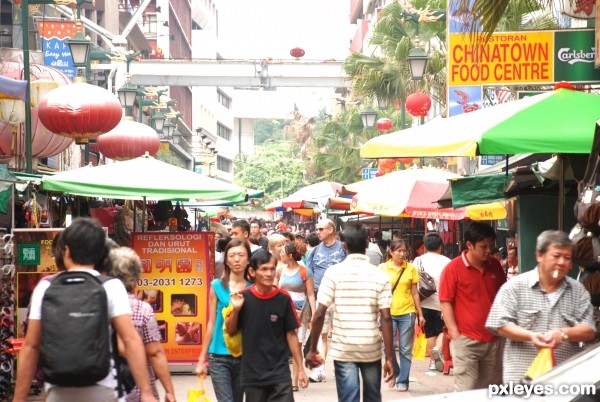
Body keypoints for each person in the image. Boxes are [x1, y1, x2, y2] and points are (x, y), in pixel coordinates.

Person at [12, 217, 157, 402]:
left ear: (66, 251)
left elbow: (31, 346)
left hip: (58, 389)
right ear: (101, 255)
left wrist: (18, 399)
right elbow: (130, 340)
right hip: (103, 387)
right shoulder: (111, 286)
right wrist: (146, 391)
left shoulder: (45, 287)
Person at [486, 230, 596, 383]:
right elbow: (498, 323)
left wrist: (563, 333)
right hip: (521, 378)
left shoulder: (578, 291)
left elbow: (589, 329)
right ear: (539, 256)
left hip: (564, 381)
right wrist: (530, 336)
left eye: (567, 258)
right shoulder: (515, 287)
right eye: (556, 256)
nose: (562, 262)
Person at [306, 223, 393, 402]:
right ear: (367, 244)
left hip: (343, 349)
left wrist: (313, 349)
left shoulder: (333, 273)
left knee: (348, 399)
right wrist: (390, 358)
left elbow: (320, 313)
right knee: (372, 398)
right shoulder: (380, 275)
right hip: (371, 348)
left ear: (344, 245)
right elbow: (386, 318)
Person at [225, 250, 309, 400]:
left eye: (272, 269)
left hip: (280, 374)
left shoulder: (283, 298)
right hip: (253, 374)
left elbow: (291, 334)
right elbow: (231, 330)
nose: (269, 273)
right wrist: (236, 310)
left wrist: (301, 368)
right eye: (264, 269)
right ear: (252, 271)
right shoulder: (243, 297)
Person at [439, 221, 506, 391]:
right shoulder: (453, 268)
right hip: (466, 340)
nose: (489, 250)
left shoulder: (495, 266)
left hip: (494, 340)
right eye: (483, 246)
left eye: (491, 245)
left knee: (492, 391)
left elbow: (502, 296)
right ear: (469, 245)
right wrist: (454, 333)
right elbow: (445, 301)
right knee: (466, 391)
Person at [109, 247, 176, 402]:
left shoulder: (96, 304)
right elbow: (155, 352)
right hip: (138, 388)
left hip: (101, 387)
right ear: (136, 276)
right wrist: (169, 391)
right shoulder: (142, 309)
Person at [195, 238, 253, 402]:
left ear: (248, 258)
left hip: (244, 356)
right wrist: (201, 360)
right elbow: (212, 323)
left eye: (241, 255)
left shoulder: (254, 288)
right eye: (232, 255)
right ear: (226, 259)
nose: (236, 259)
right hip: (219, 356)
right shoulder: (216, 286)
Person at [378, 239, 424, 391]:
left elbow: (415, 292)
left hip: (407, 312)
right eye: (398, 250)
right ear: (391, 252)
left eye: (404, 251)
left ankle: (403, 380)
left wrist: (420, 314)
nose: (402, 253)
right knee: (388, 347)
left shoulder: (410, 269)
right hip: (387, 313)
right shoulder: (381, 268)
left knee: (405, 348)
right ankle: (396, 372)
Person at [305, 218, 347, 382]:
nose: (318, 232)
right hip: (321, 297)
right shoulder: (314, 251)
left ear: (331, 229)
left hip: (340, 297)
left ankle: (341, 368)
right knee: (321, 334)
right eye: (317, 229)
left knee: (340, 335)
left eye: (321, 229)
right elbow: (308, 276)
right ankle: (319, 370)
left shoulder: (344, 249)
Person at [278, 241, 316, 392]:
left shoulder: (305, 272)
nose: (280, 254)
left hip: (300, 313)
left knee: (297, 346)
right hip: (282, 312)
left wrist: (314, 314)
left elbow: (311, 295)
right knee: (284, 346)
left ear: (290, 256)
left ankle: (294, 380)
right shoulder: (280, 271)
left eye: (282, 252)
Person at [412, 232, 450, 372]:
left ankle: (433, 363)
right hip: (441, 302)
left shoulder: (418, 261)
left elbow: (414, 283)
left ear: (426, 246)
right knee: (444, 330)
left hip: (423, 302)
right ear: (440, 246)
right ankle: (437, 349)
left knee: (429, 332)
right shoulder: (447, 261)